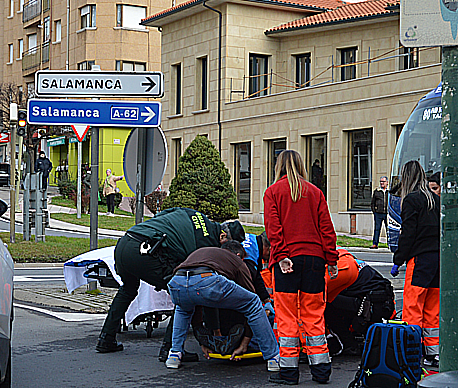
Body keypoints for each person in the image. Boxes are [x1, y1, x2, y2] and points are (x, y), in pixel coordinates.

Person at [96, 207, 227, 355]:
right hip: (145, 251)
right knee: (186, 293)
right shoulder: (207, 243)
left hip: (126, 243)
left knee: (128, 289)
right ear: (222, 236)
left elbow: (160, 215)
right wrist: (215, 329)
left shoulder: (193, 213)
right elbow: (203, 285)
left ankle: (106, 339)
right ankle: (170, 349)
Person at [263, 149, 339, 385]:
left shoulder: (273, 193)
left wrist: (283, 256)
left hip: (287, 260)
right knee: (314, 316)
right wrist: (332, 259)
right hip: (315, 259)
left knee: (286, 317)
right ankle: (321, 371)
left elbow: (273, 229)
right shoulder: (315, 192)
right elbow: (327, 228)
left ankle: (288, 373)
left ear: (279, 167)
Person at [165, 240, 279, 372]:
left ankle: (174, 355)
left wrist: (203, 340)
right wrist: (245, 343)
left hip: (177, 281)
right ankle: (273, 358)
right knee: (253, 303)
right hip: (207, 280)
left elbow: (202, 301)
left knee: (183, 309)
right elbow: (251, 299)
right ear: (239, 256)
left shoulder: (205, 252)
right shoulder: (237, 261)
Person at [393, 162, 441, 367]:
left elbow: (408, 234)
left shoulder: (412, 200)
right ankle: (434, 352)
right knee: (433, 309)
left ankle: (413, 353)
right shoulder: (435, 200)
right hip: (439, 259)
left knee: (413, 307)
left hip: (420, 260)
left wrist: (398, 259)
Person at [371, 176, 389, 248]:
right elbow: (372, 203)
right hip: (378, 213)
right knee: (377, 229)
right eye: (381, 181)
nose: (382, 183)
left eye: (383, 181)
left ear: (387, 182)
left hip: (387, 213)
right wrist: (374, 211)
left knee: (388, 229)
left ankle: (389, 244)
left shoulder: (389, 191)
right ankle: (375, 244)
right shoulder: (377, 191)